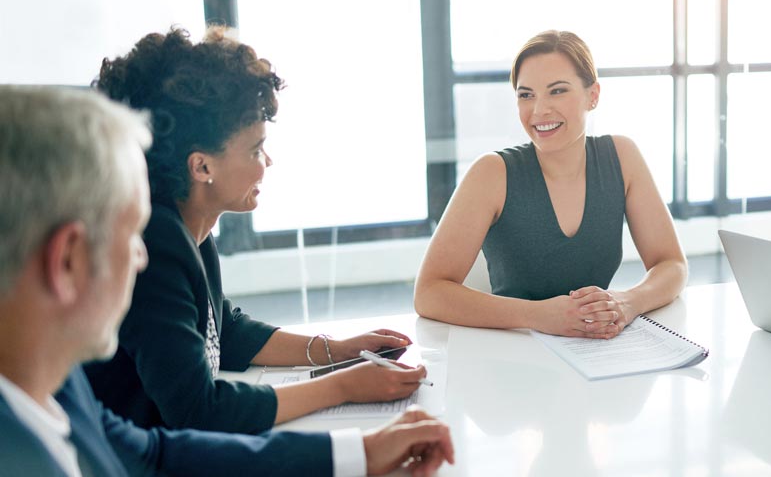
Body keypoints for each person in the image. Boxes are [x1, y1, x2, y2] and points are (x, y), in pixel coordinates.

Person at [0, 85, 454, 476]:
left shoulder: (58, 388)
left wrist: (361, 452)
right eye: (130, 234)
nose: (141, 259)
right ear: (68, 261)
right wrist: (341, 388)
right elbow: (189, 418)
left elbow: (156, 456)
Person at [82, 27, 427, 434]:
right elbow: (199, 411)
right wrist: (344, 386)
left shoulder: (187, 222)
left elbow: (223, 331)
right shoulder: (155, 243)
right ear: (202, 167)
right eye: (254, 149)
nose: (268, 161)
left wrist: (338, 350)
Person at [414, 30, 687, 339]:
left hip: (595, 353)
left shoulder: (622, 157)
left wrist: (627, 302)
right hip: (510, 354)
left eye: (557, 91)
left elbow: (672, 264)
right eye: (525, 94)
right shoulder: (491, 173)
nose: (539, 110)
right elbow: (429, 292)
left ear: (592, 95)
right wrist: (538, 315)